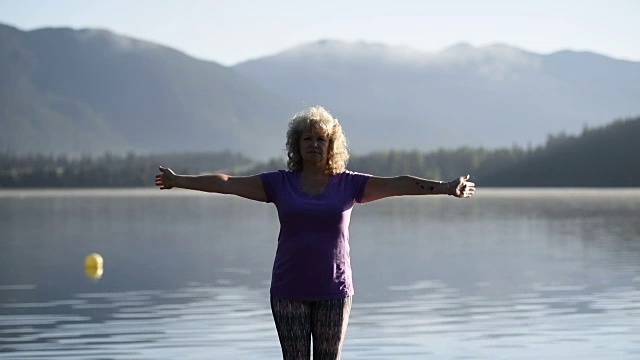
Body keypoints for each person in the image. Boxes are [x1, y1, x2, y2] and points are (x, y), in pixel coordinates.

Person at [155, 105, 475, 360]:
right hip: (288, 290)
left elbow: (399, 183)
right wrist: (178, 180)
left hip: (334, 291)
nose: (314, 144)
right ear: (297, 145)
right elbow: (226, 183)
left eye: (321, 139)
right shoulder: (279, 183)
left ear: (331, 145)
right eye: (307, 138)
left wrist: (447, 187)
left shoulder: (350, 183)